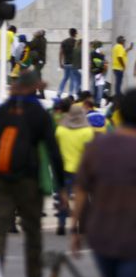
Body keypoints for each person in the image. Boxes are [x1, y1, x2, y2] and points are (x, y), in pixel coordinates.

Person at [0, 70, 65, 277]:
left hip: (0, 179)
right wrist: (61, 187)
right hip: (29, 181)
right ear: (35, 87)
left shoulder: (0, 111)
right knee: (32, 230)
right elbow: (54, 152)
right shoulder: (39, 114)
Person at [70, 89, 136, 277]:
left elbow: (81, 190)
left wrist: (75, 229)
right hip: (132, 239)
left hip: (101, 236)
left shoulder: (98, 146)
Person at [54, 99, 94, 236]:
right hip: (81, 169)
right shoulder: (87, 131)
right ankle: (82, 225)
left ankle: (61, 224)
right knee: (82, 197)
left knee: (62, 196)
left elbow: (56, 148)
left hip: (64, 168)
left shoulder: (60, 130)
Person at [0, 24, 16, 88]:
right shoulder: (10, 33)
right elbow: (14, 41)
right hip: (6, 56)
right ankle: (2, 84)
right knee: (2, 71)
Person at [59, 28, 81, 97]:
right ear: (75, 34)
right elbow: (78, 53)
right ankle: (70, 94)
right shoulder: (76, 42)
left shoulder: (64, 42)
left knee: (65, 78)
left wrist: (60, 62)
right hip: (73, 64)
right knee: (73, 79)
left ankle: (59, 92)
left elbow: (61, 53)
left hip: (66, 63)